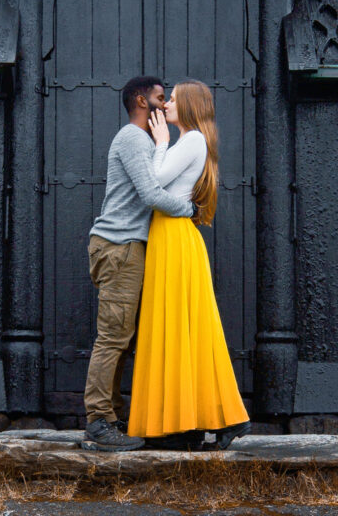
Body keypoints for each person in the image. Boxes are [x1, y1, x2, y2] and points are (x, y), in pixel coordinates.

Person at [129, 80, 249, 444]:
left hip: (175, 238)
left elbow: (157, 180)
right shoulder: (192, 141)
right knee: (180, 331)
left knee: (180, 329)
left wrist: (161, 143)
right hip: (171, 237)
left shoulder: (192, 140)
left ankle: (218, 419)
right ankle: (193, 423)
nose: (166, 106)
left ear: (192, 106)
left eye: (175, 100)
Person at [81, 74, 168, 450]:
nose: (164, 105)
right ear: (140, 99)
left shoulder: (140, 139)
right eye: (160, 98)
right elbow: (151, 193)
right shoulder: (133, 138)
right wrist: (193, 209)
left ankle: (113, 417)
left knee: (122, 338)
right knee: (113, 337)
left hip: (124, 247)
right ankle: (99, 422)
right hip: (120, 247)